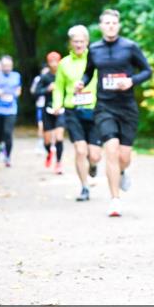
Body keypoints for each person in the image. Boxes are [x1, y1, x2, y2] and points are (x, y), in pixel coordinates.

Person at [76, 9, 152, 217]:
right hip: (104, 107)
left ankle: (121, 171)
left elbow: (147, 71)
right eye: (106, 23)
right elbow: (89, 71)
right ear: (100, 26)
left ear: (118, 26)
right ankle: (115, 200)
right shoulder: (95, 49)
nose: (110, 26)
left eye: (113, 23)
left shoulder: (130, 47)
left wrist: (131, 81)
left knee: (123, 156)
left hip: (127, 107)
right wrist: (82, 82)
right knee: (110, 150)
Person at [52, 25, 103, 198]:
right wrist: (57, 104)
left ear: (87, 42)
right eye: (75, 41)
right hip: (73, 110)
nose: (79, 44)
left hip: (95, 109)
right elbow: (58, 87)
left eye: (82, 41)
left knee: (94, 155)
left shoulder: (95, 58)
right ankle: (84, 187)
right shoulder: (64, 63)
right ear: (70, 43)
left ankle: (93, 166)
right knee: (80, 150)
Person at [32, 54, 64, 168]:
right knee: (47, 141)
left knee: (59, 137)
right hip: (47, 110)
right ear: (48, 63)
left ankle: (59, 163)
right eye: (51, 61)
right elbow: (35, 92)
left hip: (61, 109)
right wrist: (47, 89)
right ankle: (49, 152)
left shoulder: (64, 75)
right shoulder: (45, 77)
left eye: (56, 61)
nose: (54, 64)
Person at [30, 63, 49, 151]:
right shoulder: (38, 79)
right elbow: (32, 90)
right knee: (41, 125)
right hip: (40, 105)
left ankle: (49, 144)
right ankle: (40, 143)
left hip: (50, 105)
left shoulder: (52, 77)